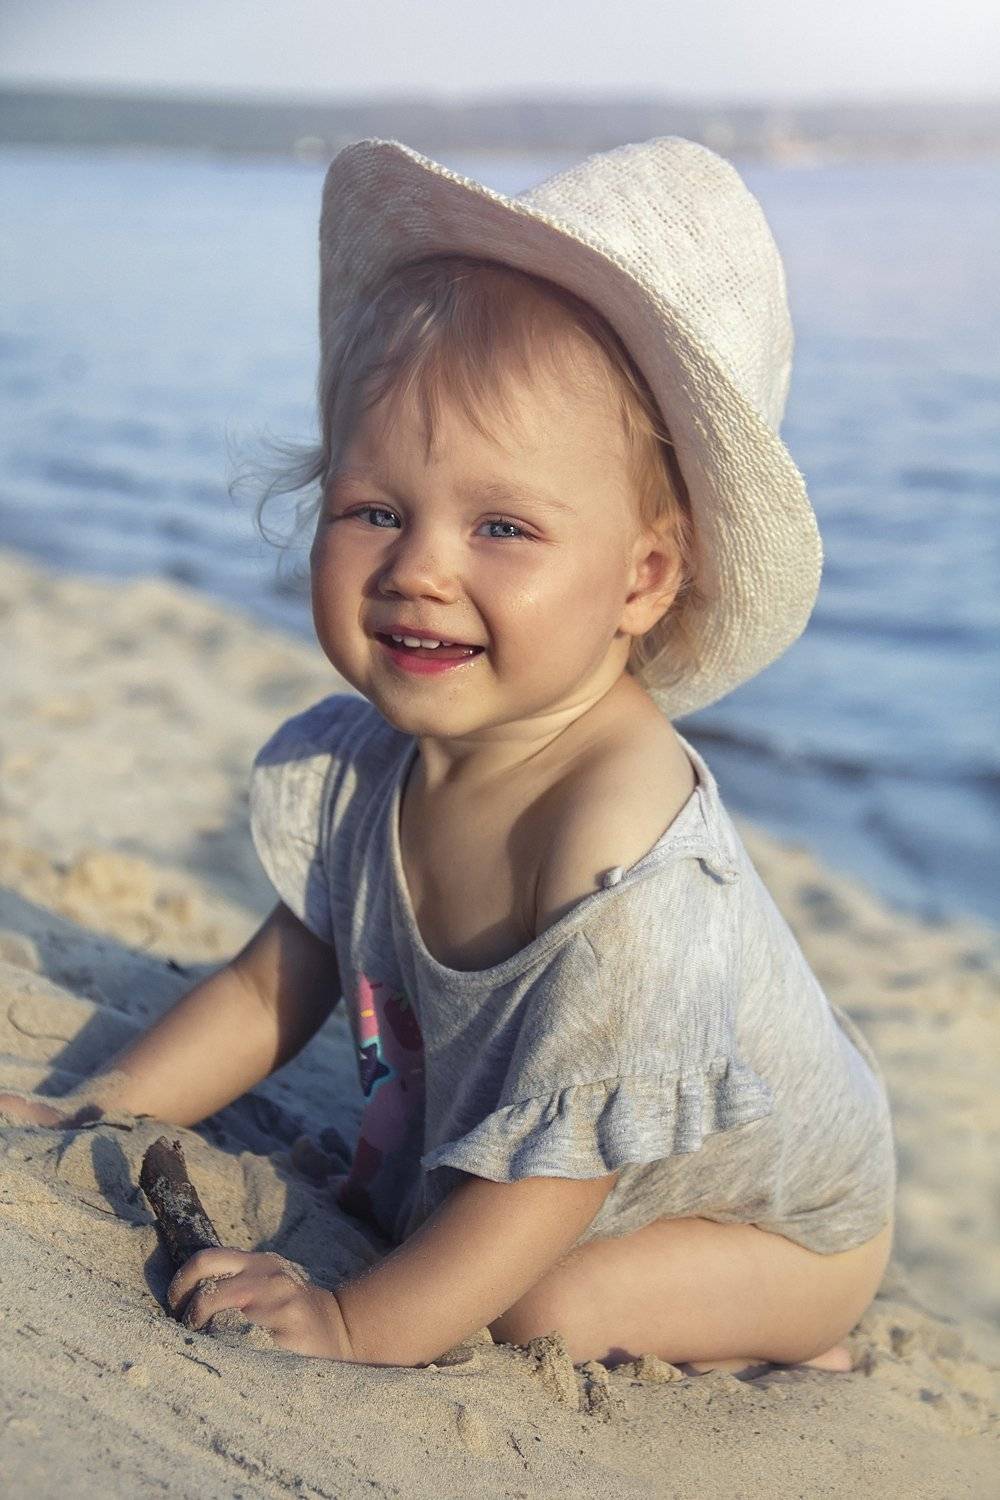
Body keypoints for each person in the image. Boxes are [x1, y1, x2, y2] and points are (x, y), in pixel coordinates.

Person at [0, 137, 895, 1372]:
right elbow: (268, 990)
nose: (419, 568)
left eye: (502, 527)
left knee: (536, 1306)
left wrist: (355, 1322)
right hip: (560, 1152)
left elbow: (560, 1179)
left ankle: (798, 1332)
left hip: (768, 1221)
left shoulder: (618, 852)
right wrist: (96, 1109)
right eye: (375, 510)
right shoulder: (369, 767)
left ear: (643, 578)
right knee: (457, 1234)